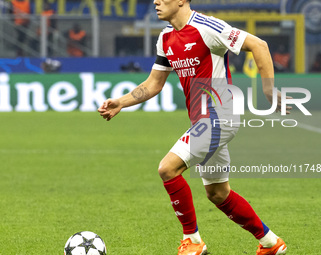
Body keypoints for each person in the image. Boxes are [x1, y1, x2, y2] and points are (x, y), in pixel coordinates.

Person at [98, 0, 290, 254]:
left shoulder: (206, 27)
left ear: (181, 1)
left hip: (219, 115)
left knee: (167, 168)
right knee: (218, 194)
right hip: (203, 121)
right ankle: (270, 242)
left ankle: (193, 241)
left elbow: (258, 44)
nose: (155, 1)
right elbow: (154, 83)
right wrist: (120, 102)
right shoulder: (165, 37)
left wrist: (268, 88)